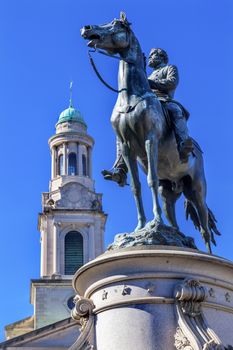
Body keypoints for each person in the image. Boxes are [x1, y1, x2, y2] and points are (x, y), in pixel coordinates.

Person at [102, 48, 193, 186]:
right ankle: (121, 167)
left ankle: (183, 144)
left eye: (153, 55)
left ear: (161, 57)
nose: (150, 58)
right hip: (146, 102)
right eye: (149, 56)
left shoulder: (169, 68)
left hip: (163, 101)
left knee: (175, 111)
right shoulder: (146, 76)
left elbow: (171, 83)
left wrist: (150, 83)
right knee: (122, 126)